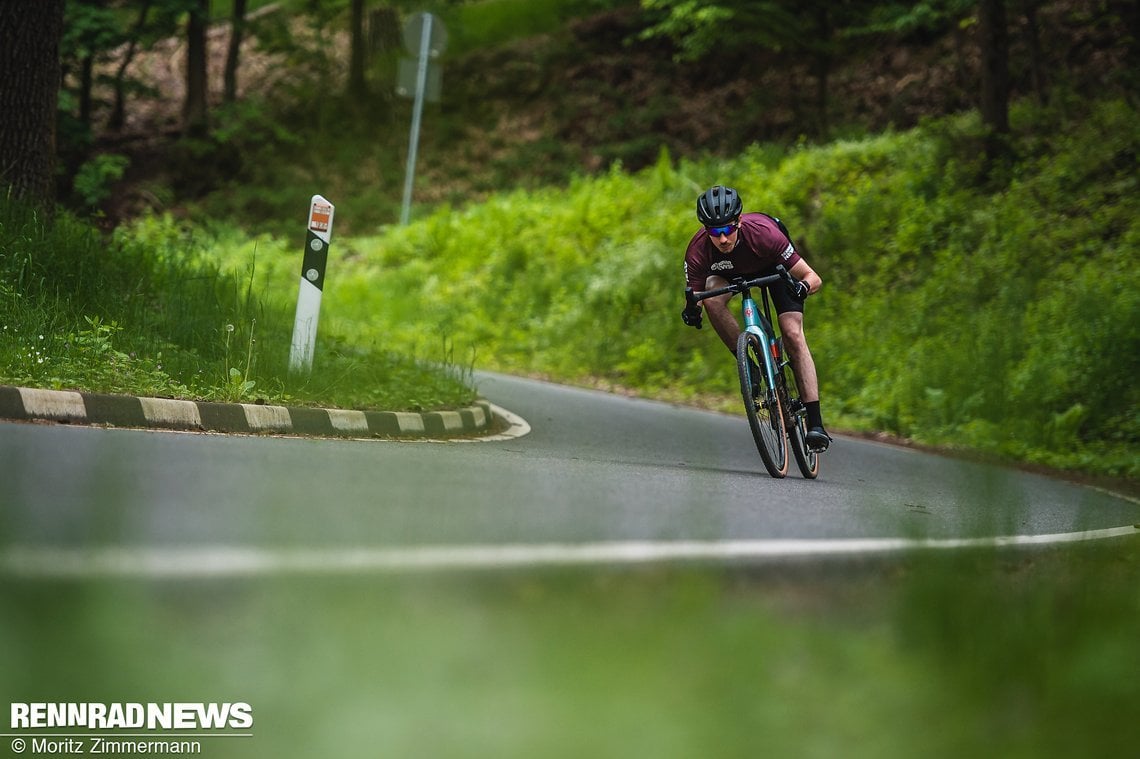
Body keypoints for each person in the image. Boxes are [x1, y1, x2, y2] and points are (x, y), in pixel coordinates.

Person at [680, 185, 831, 451]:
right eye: (715, 232)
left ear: (739, 221)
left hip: (774, 268)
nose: (723, 238)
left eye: (728, 229)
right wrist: (693, 310)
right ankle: (748, 364)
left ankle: (816, 423)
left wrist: (802, 287)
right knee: (712, 299)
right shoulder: (698, 250)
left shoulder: (764, 235)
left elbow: (813, 278)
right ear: (706, 231)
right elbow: (695, 295)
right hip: (731, 274)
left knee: (792, 332)